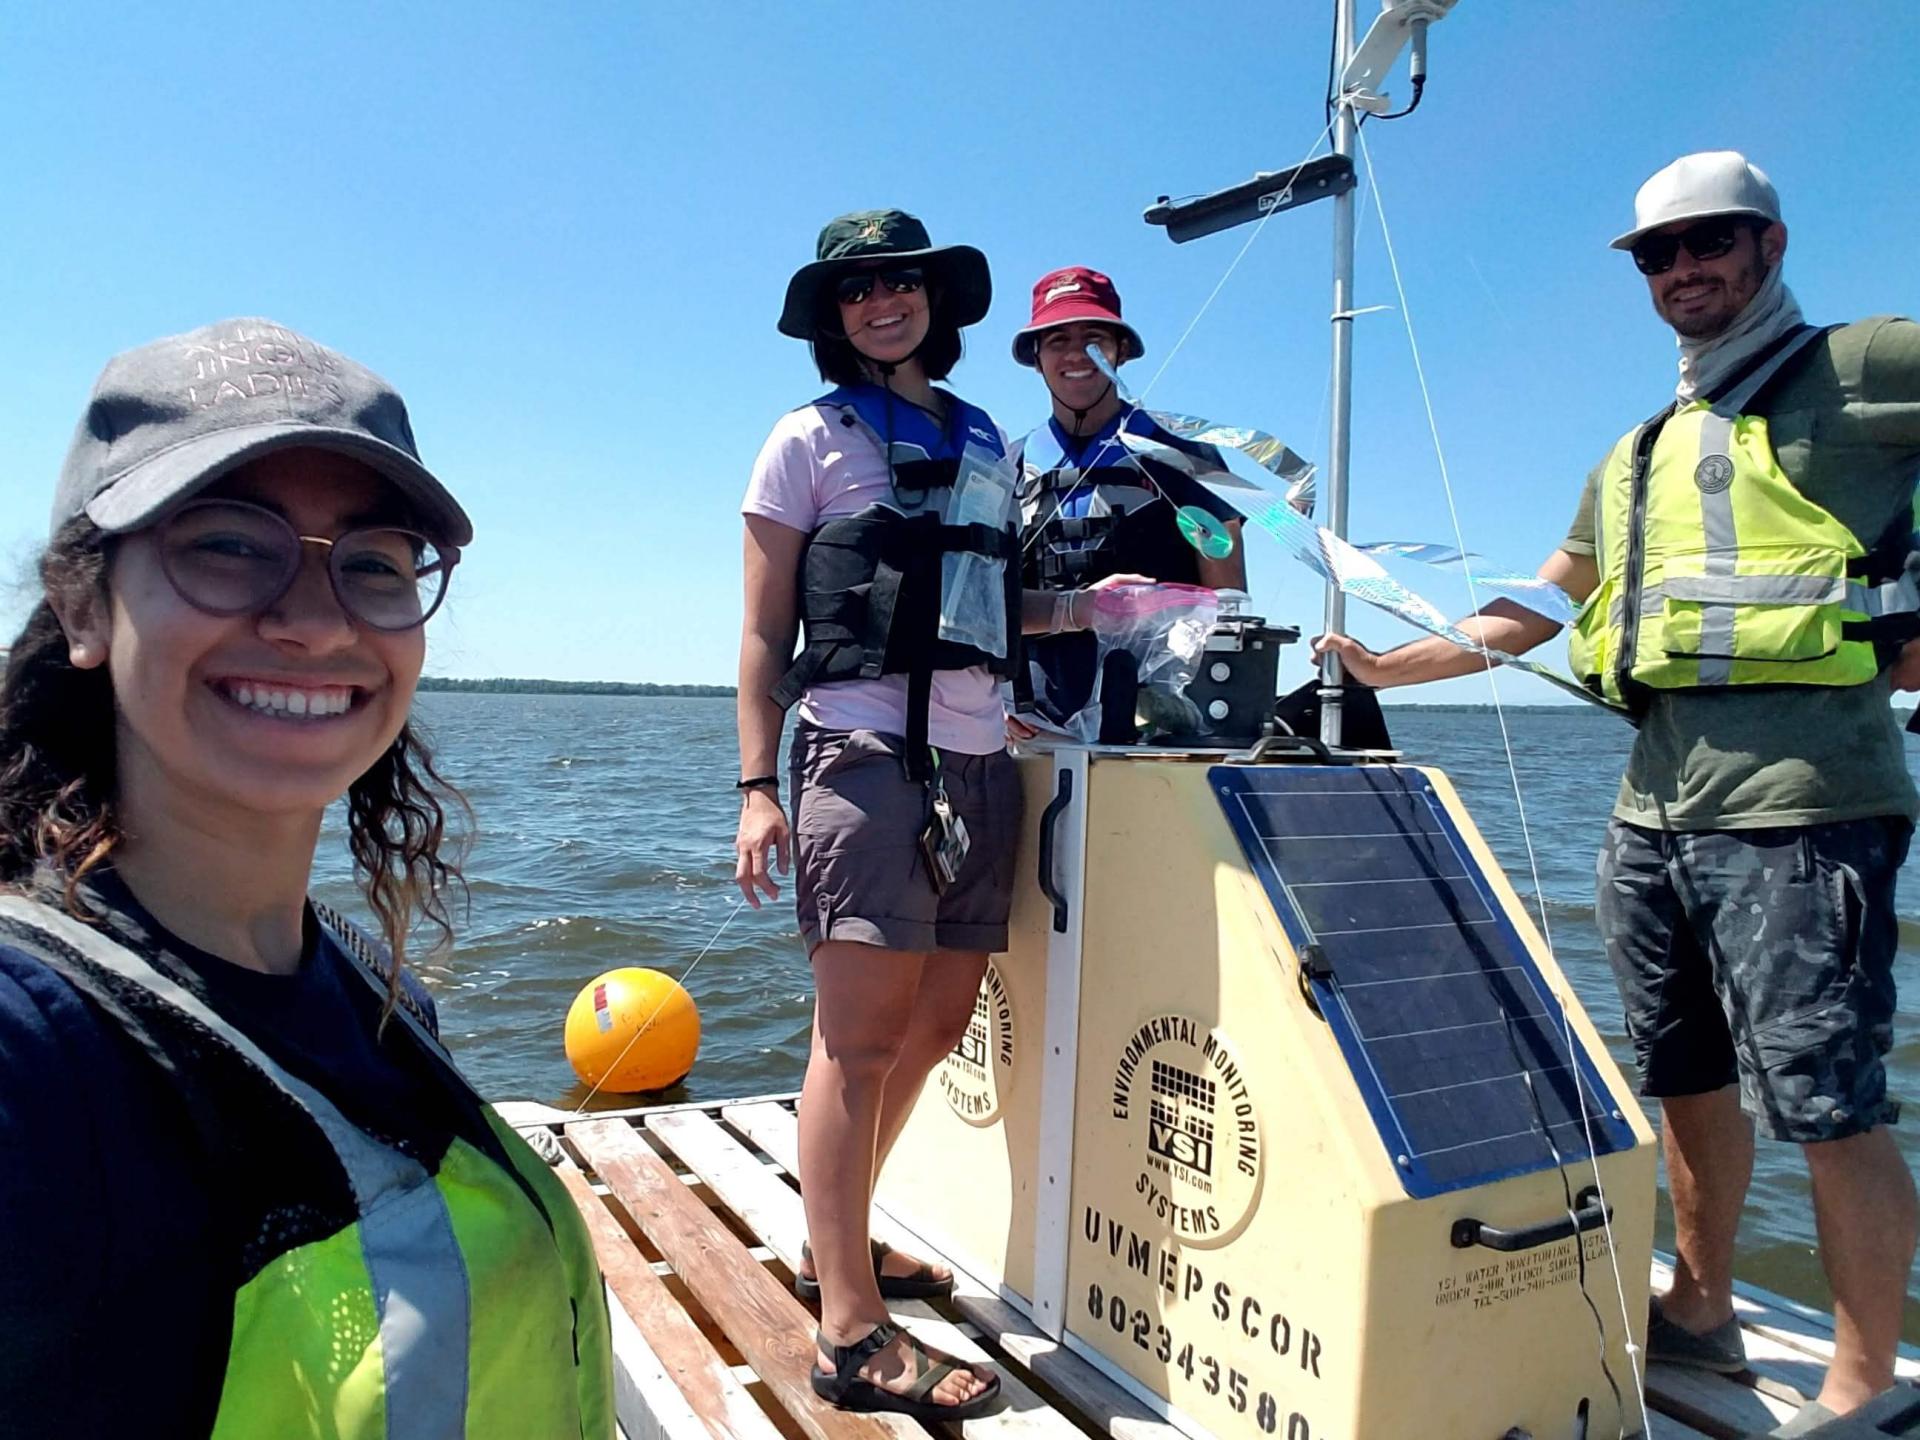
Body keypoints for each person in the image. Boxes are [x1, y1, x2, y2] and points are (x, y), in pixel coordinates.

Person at [1313, 152, 1920, 1434]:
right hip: (1654, 807)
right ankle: (1702, 1309)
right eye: (1657, 253)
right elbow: (1542, 600)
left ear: (1768, 243)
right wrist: (1386, 668)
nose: (1683, 268)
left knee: (1825, 1098)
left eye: (1709, 242)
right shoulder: (1635, 451)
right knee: (1683, 1073)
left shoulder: (1861, 366)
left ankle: (1866, 1387)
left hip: (1804, 802)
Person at [0, 319, 614, 1440]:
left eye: (374, 563)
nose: (314, 620)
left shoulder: (375, 992)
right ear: (83, 604)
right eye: (229, 543)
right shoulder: (31, 1059)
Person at [733, 211, 1136, 1421]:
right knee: (855, 1040)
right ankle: (851, 1333)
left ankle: (834, 1242)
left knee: (943, 1014)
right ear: (834, 318)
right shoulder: (803, 439)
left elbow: (1000, 601)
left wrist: (1100, 608)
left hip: (982, 764)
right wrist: (759, 787)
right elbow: (761, 635)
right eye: (857, 292)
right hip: (858, 755)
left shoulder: (987, 440)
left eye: (900, 283)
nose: (882, 303)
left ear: (936, 303)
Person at [1011, 266, 1247, 732]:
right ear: (1036, 358)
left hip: (1152, 725)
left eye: (1094, 338)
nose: (1076, 354)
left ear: (1120, 351)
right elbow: (982, 605)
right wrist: (992, 703)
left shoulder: (1184, 454)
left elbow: (1227, 600)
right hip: (1032, 722)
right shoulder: (1008, 465)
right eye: (1057, 340)